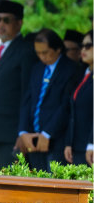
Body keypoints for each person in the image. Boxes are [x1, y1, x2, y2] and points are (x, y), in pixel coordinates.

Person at [0, 0, 36, 169]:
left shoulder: (25, 50)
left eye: (6, 20)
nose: (1, 25)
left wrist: (22, 132)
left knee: (10, 189)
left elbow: (28, 95)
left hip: (12, 136)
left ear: (19, 23)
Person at [16, 29, 80, 171]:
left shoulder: (71, 69)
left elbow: (66, 106)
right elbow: (27, 101)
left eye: (45, 52)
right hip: (33, 138)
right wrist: (23, 131)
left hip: (56, 140)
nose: (41, 57)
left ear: (57, 49)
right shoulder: (37, 68)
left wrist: (48, 133)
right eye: (38, 53)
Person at [64, 30, 93, 166]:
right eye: (82, 46)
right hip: (78, 147)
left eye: (88, 46)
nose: (83, 49)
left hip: (89, 148)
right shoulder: (83, 73)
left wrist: (92, 144)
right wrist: (69, 143)